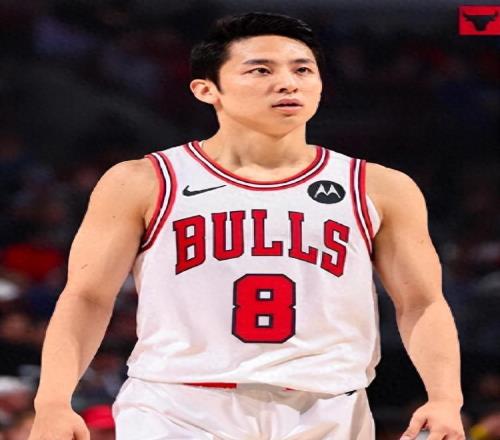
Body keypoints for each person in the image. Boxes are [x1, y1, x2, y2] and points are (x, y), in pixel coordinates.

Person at [28, 12, 465, 440]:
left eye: (302, 69)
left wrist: (446, 398)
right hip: (177, 406)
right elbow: (87, 296)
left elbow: (421, 302)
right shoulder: (143, 180)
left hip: (327, 405)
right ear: (206, 89)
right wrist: (52, 402)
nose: (288, 82)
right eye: (261, 70)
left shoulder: (379, 186)